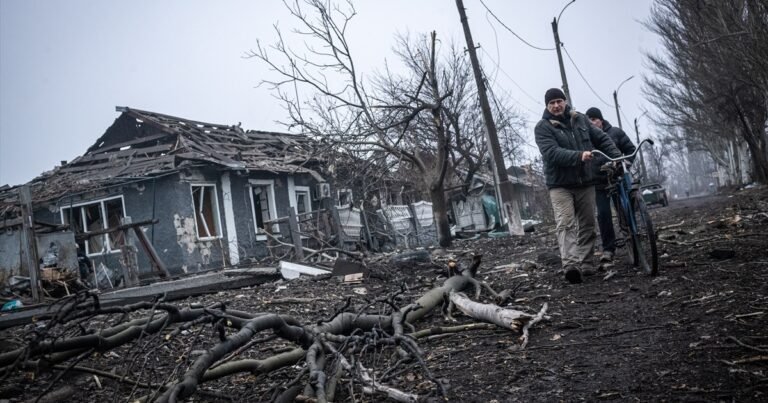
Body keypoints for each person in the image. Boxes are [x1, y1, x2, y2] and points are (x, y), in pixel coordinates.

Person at [534, 89, 621, 284]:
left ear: (565, 101)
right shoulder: (543, 127)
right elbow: (551, 153)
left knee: (588, 223)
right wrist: (578, 156)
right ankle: (571, 265)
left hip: (585, 182)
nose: (556, 105)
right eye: (552, 103)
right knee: (566, 223)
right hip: (560, 185)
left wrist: (616, 157)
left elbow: (602, 138)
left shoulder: (580, 119)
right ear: (547, 106)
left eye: (559, 101)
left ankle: (586, 262)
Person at [585, 107, 636, 266]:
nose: (592, 123)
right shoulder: (586, 138)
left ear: (601, 120)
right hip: (599, 182)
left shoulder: (615, 132)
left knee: (625, 209)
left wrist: (625, 162)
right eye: (589, 121)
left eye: (594, 119)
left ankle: (633, 239)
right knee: (603, 214)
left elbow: (630, 150)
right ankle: (608, 249)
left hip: (618, 178)